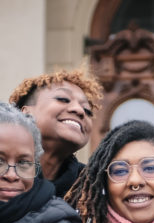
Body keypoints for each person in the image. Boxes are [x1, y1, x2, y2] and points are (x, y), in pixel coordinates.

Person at [9, 67, 103, 197]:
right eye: (63, 99)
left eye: (87, 110)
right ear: (26, 113)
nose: (80, 111)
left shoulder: (94, 190)